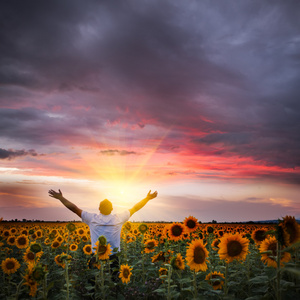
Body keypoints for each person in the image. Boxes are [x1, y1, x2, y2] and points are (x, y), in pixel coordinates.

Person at [48, 188, 158, 279]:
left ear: (99, 209)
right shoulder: (118, 218)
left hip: (96, 257)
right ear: (112, 209)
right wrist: (147, 198)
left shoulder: (92, 218)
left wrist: (61, 198)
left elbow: (75, 209)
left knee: (94, 284)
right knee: (114, 282)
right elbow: (135, 208)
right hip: (114, 257)